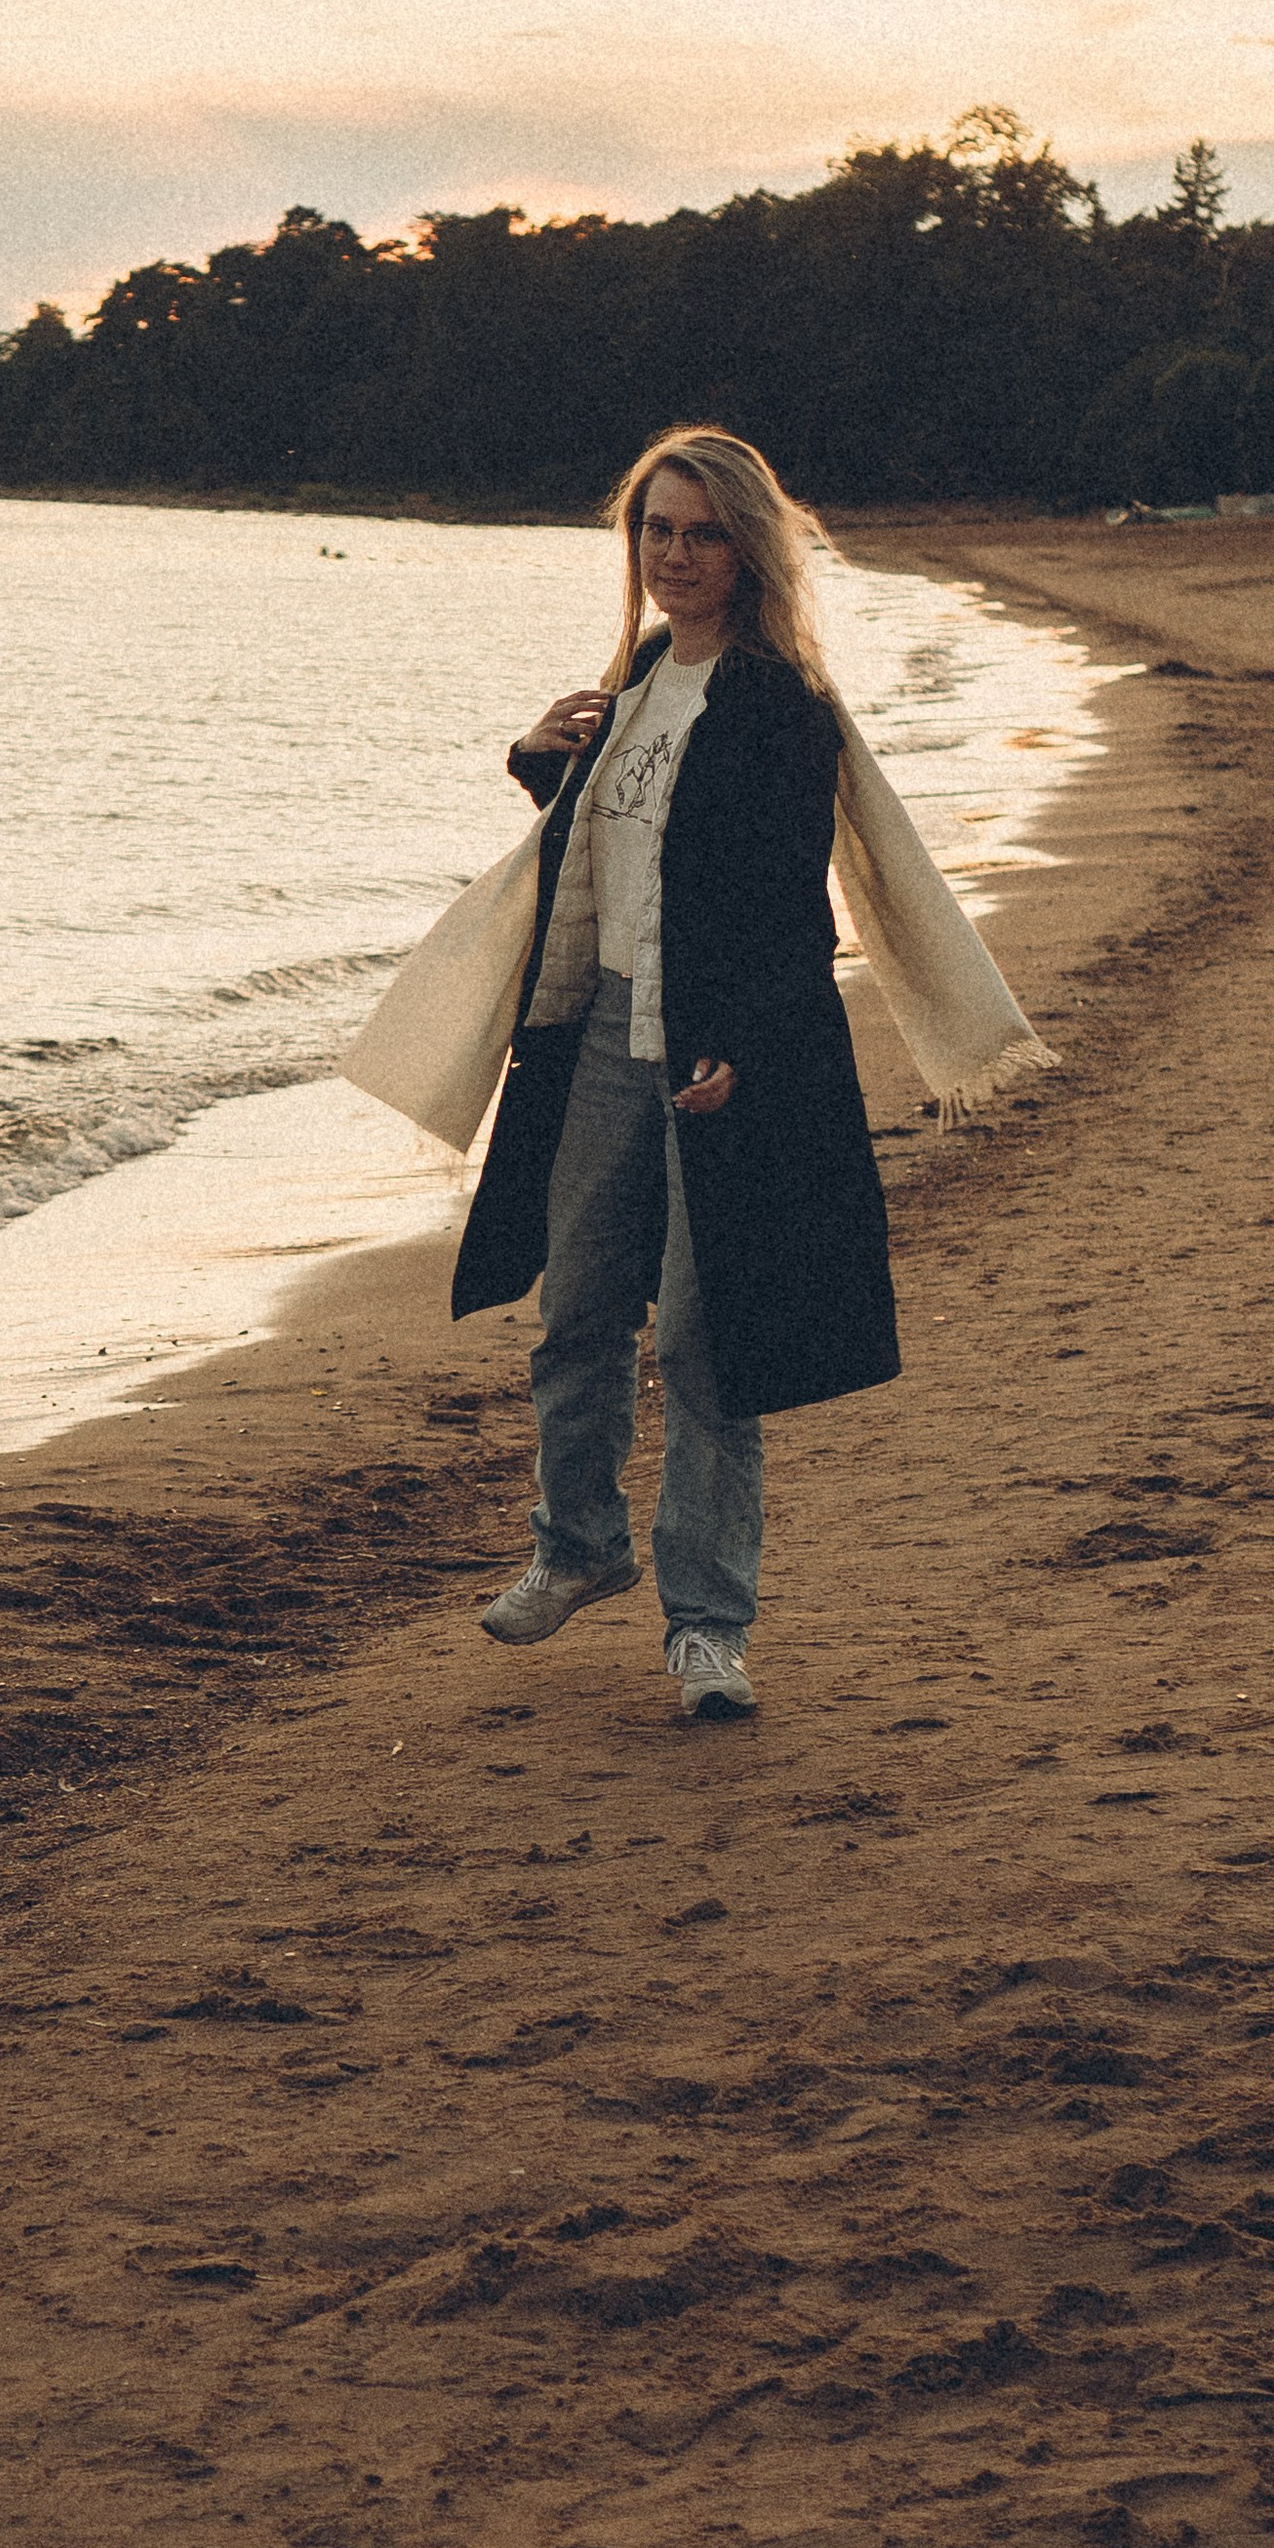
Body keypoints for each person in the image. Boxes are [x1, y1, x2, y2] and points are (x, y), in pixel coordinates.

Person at [451, 426, 903, 1721]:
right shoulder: (641, 679)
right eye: (657, 531)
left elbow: (780, 903)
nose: (676, 556)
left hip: (723, 1050)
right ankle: (577, 1543)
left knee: (710, 1345)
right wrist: (545, 760)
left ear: (747, 547)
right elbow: (617, 851)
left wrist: (743, 1049)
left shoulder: (778, 707)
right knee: (578, 1307)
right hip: (603, 1033)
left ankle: (708, 1625)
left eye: (703, 533)